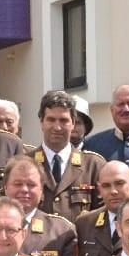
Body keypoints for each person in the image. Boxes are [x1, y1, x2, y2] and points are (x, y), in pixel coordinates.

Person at [31, 90, 102, 220]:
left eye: (63, 120)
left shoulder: (93, 165)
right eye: (51, 120)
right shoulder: (25, 163)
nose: (57, 127)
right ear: (41, 122)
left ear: (73, 123)